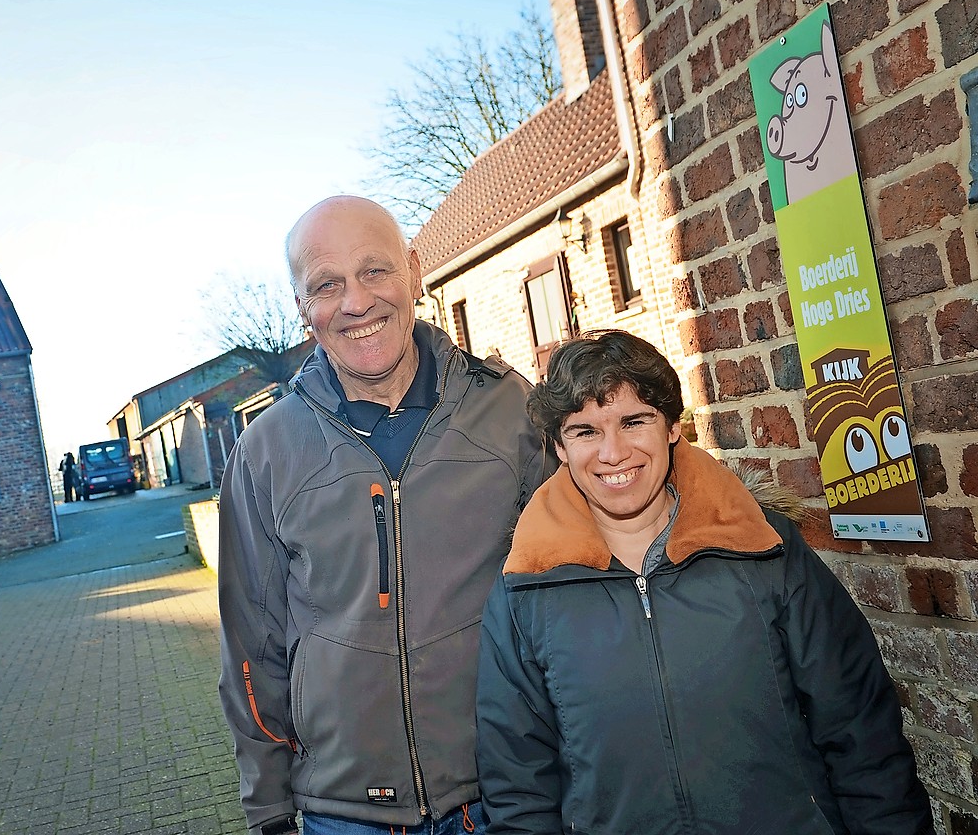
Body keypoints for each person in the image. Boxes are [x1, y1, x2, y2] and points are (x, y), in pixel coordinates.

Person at [475, 330, 933, 834]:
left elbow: (862, 735)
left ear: (672, 426)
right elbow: (518, 789)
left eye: (635, 421)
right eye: (586, 431)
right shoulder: (526, 592)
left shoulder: (763, 551)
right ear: (560, 447)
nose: (613, 452)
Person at [218, 195, 551, 835]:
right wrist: (269, 807)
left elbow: (570, 588)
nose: (356, 302)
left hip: (501, 798)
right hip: (340, 814)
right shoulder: (267, 450)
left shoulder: (509, 413)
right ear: (301, 308)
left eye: (375, 271)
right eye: (327, 284)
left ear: (415, 272)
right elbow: (250, 645)